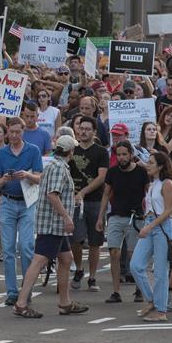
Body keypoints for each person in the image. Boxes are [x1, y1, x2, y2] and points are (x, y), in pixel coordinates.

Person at [12, 135, 88, 318]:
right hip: (53, 223)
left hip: (56, 225)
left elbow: (44, 185)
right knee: (39, 261)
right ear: (71, 151)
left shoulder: (54, 165)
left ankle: (65, 302)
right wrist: (67, 217)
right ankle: (21, 303)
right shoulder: (58, 168)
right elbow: (52, 195)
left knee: (66, 258)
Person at [0, 117, 43, 306]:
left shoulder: (33, 150)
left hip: (27, 202)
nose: (14, 135)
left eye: (17, 132)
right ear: (7, 133)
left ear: (23, 131)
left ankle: (27, 288)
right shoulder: (1, 153)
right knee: (8, 249)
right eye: (11, 132)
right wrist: (5, 179)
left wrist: (27, 175)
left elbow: (40, 177)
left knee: (27, 246)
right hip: (7, 202)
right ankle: (12, 291)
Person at [96, 140, 149, 304]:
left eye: (124, 154)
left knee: (134, 256)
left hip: (136, 218)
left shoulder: (141, 172)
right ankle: (116, 291)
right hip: (116, 216)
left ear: (131, 155)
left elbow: (148, 193)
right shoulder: (112, 173)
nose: (121, 158)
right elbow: (106, 194)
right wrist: (101, 217)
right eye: (118, 155)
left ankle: (139, 290)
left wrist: (149, 215)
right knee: (114, 253)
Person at [130, 152, 172, 322]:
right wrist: (146, 223)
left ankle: (161, 310)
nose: (147, 165)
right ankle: (152, 300)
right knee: (135, 265)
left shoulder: (167, 184)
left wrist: (150, 226)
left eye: (151, 163)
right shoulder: (153, 184)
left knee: (160, 271)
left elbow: (169, 210)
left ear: (160, 166)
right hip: (149, 224)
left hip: (162, 227)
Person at [69, 116, 108, 293]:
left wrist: (83, 191)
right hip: (74, 202)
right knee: (75, 239)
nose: (83, 131)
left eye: (87, 129)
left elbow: (101, 177)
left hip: (95, 201)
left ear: (94, 132)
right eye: (81, 128)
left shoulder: (100, 152)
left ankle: (92, 277)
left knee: (95, 241)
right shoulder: (71, 150)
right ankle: (78, 269)